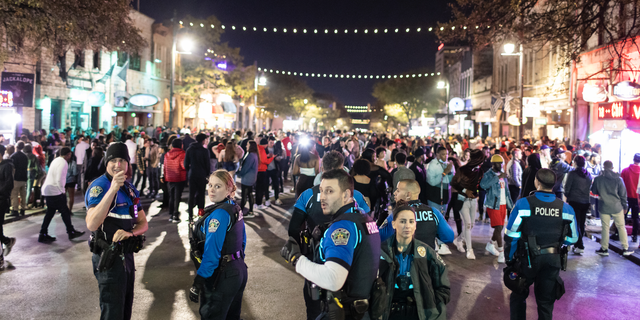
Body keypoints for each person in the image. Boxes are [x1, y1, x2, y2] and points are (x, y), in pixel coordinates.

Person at [281, 169, 381, 320]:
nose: (323, 197)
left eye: (330, 191)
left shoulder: (343, 227)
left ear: (346, 195)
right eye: (322, 191)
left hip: (345, 312)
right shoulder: (363, 218)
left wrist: (296, 259)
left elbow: (333, 279)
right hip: (362, 310)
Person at [504, 168, 579, 320]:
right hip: (553, 260)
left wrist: (510, 258)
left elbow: (511, 235)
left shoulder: (523, 204)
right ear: (554, 184)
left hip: (527, 260)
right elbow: (573, 239)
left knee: (518, 296)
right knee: (545, 302)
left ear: (536, 182)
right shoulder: (566, 208)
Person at [85, 142, 148, 320]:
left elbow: (143, 223)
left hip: (127, 259)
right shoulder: (100, 186)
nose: (117, 165)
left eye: (122, 160)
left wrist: (131, 233)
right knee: (112, 313)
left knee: (124, 312)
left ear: (128, 164)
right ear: (106, 162)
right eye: (113, 160)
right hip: (109, 260)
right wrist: (112, 189)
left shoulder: (129, 189)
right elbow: (92, 224)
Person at [188, 170, 247, 319]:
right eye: (210, 185)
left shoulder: (218, 215)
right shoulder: (234, 207)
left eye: (218, 186)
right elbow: (243, 241)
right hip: (238, 270)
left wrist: (198, 282)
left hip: (222, 276)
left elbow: (211, 254)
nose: (212, 190)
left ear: (228, 189)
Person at [378, 200, 450, 320]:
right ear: (394, 224)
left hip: (419, 313)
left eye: (411, 221)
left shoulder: (427, 253)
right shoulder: (382, 252)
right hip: (388, 312)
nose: (407, 226)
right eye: (402, 221)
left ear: (415, 225)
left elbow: (443, 287)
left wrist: (432, 304)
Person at [382, 180, 455, 250]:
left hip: (404, 260)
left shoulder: (397, 214)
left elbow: (381, 236)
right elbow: (449, 237)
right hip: (426, 260)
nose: (394, 193)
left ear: (408, 194)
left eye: (398, 190)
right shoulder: (433, 212)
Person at [38, 147, 85, 243]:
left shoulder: (55, 160)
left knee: (50, 213)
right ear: (68, 154)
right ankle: (71, 232)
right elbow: (60, 179)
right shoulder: (63, 163)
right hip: (55, 191)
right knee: (65, 212)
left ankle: (43, 234)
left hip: (49, 190)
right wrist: (62, 191)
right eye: (70, 155)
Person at [591, 160, 634, 256]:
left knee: (605, 228)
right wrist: (625, 206)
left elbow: (593, 191)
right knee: (621, 227)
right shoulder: (618, 179)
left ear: (603, 167)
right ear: (612, 167)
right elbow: (623, 194)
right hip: (617, 206)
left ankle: (604, 249)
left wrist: (601, 191)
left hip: (604, 206)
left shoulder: (598, 179)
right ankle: (625, 248)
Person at [450, 149, 486, 259]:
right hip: (463, 200)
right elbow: (454, 183)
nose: (483, 162)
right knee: (468, 224)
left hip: (473, 200)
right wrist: (466, 191)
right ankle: (469, 250)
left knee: (471, 225)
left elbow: (480, 185)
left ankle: (459, 240)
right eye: (481, 160)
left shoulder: (480, 171)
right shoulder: (463, 170)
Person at [479, 155, 514, 263]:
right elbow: (483, 185)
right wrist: (497, 178)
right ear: (493, 164)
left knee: (499, 228)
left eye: (502, 163)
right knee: (498, 227)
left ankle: (490, 244)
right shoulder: (489, 174)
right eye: (500, 163)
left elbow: (507, 192)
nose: (502, 166)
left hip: (503, 204)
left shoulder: (502, 174)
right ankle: (501, 252)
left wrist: (511, 206)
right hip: (493, 205)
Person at [564, 155, 592, 254]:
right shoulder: (588, 174)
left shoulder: (572, 174)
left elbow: (567, 188)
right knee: (581, 223)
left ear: (575, 162)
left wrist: (567, 196)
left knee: (576, 223)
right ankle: (578, 243)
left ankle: (580, 245)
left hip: (575, 201)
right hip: (586, 201)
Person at [184, 133, 211, 221]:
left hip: (192, 174)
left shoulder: (189, 149)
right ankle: (201, 213)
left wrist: (189, 170)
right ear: (203, 140)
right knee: (201, 194)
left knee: (191, 194)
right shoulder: (204, 151)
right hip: (202, 174)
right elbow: (207, 164)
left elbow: (185, 164)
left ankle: (190, 215)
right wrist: (207, 174)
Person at [0, 145, 16, 270]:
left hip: (1, 201)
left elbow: (8, 184)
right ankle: (6, 241)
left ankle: (0, 257)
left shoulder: (7, 166)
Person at [164, 139, 187, 223]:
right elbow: (183, 166)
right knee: (177, 197)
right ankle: (175, 215)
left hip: (169, 178)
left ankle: (170, 214)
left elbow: (165, 166)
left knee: (171, 196)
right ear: (181, 145)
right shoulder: (182, 154)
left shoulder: (167, 154)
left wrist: (165, 176)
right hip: (179, 178)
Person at [620, 153, 640, 243]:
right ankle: (634, 236)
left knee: (623, 216)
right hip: (637, 198)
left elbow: (620, 185)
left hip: (626, 197)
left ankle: (620, 234)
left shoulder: (625, 171)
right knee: (635, 217)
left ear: (633, 159)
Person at [237, 141, 259, 219]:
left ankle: (241, 212)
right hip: (251, 178)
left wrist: (239, 173)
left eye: (247, 145)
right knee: (249, 195)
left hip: (247, 178)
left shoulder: (251, 155)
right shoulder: (254, 154)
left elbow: (246, 167)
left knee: (245, 196)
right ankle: (250, 211)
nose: (246, 146)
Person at [9, 141, 28, 217]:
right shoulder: (25, 156)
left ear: (16, 146)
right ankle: (23, 209)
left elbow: (13, 168)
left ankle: (15, 210)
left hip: (16, 178)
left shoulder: (13, 156)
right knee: (23, 194)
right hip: (24, 177)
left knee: (14, 194)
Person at [266, 136, 284, 205]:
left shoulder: (275, 148)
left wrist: (278, 158)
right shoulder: (265, 149)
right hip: (266, 169)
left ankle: (277, 198)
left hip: (274, 168)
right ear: (268, 141)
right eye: (271, 142)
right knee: (266, 185)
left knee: (276, 184)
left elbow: (279, 156)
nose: (272, 144)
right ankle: (267, 199)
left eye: (273, 143)